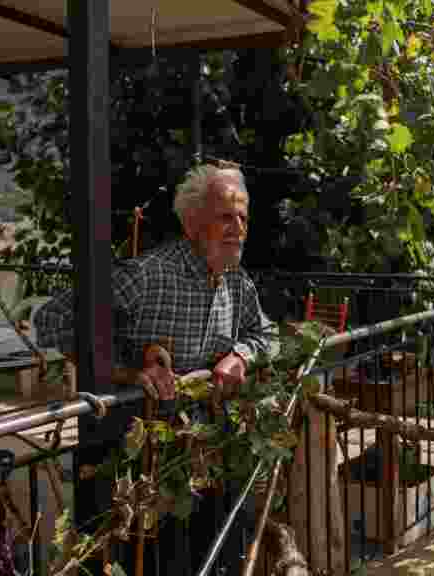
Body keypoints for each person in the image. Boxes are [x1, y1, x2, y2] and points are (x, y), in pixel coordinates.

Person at [33, 163, 280, 573]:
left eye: (242, 217)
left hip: (204, 459)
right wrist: (129, 371)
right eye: (225, 216)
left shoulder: (237, 282)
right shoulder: (147, 276)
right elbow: (50, 321)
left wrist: (240, 356)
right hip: (138, 470)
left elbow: (267, 334)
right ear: (191, 223)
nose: (238, 227)